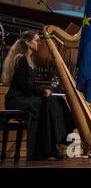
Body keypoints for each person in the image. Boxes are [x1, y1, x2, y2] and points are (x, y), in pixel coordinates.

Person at [1, 31, 75, 160]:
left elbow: (31, 85)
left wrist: (48, 89)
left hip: (25, 97)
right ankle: (51, 147)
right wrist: (42, 92)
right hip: (16, 99)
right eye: (36, 40)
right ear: (27, 42)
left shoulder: (31, 59)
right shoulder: (21, 59)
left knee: (56, 101)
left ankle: (57, 141)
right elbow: (22, 85)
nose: (40, 43)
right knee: (45, 102)